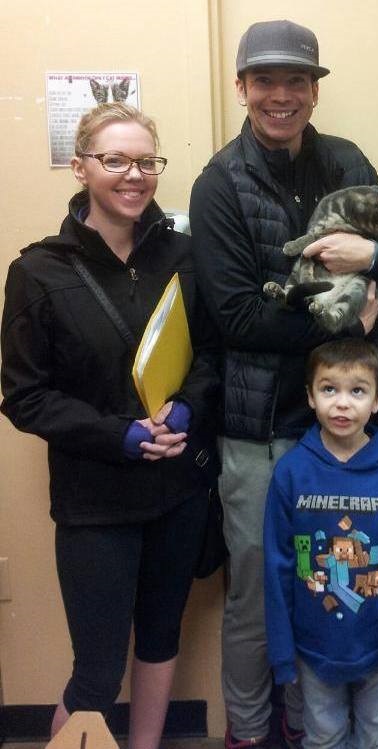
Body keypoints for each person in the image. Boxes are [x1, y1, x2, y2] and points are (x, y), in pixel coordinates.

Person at [189, 19, 378, 749]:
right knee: (257, 596)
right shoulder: (219, 182)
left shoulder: (346, 160)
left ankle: (307, 726)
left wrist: (370, 257)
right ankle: (250, 734)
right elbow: (236, 317)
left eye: (296, 81)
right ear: (242, 88)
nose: (280, 95)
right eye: (265, 80)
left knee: (330, 587)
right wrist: (345, 320)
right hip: (258, 432)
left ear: (315, 91)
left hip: (343, 429)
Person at [0, 103, 219, 748]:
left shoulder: (183, 256)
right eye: (115, 160)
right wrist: (119, 435)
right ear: (80, 168)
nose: (134, 175)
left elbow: (210, 355)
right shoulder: (37, 272)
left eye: (146, 162)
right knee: (96, 671)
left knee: (160, 639)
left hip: (177, 492)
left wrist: (187, 408)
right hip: (94, 501)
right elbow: (25, 396)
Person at [263, 338, 378, 749]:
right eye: (329, 389)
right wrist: (282, 652)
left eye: (358, 391)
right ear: (310, 396)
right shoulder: (291, 473)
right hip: (313, 648)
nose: (342, 404)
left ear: (377, 401)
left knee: (376, 738)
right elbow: (277, 567)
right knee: (323, 738)